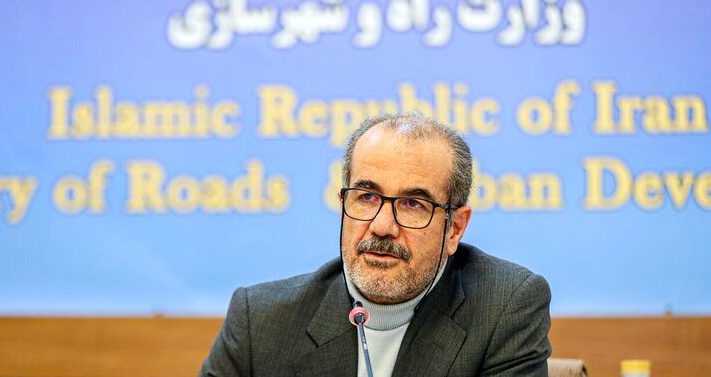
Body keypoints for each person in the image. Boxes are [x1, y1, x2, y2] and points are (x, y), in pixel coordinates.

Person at [199, 114, 551, 376]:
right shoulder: (260, 322)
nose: (382, 227)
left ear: (454, 229)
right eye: (367, 197)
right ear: (343, 204)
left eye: (413, 204)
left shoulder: (504, 308)